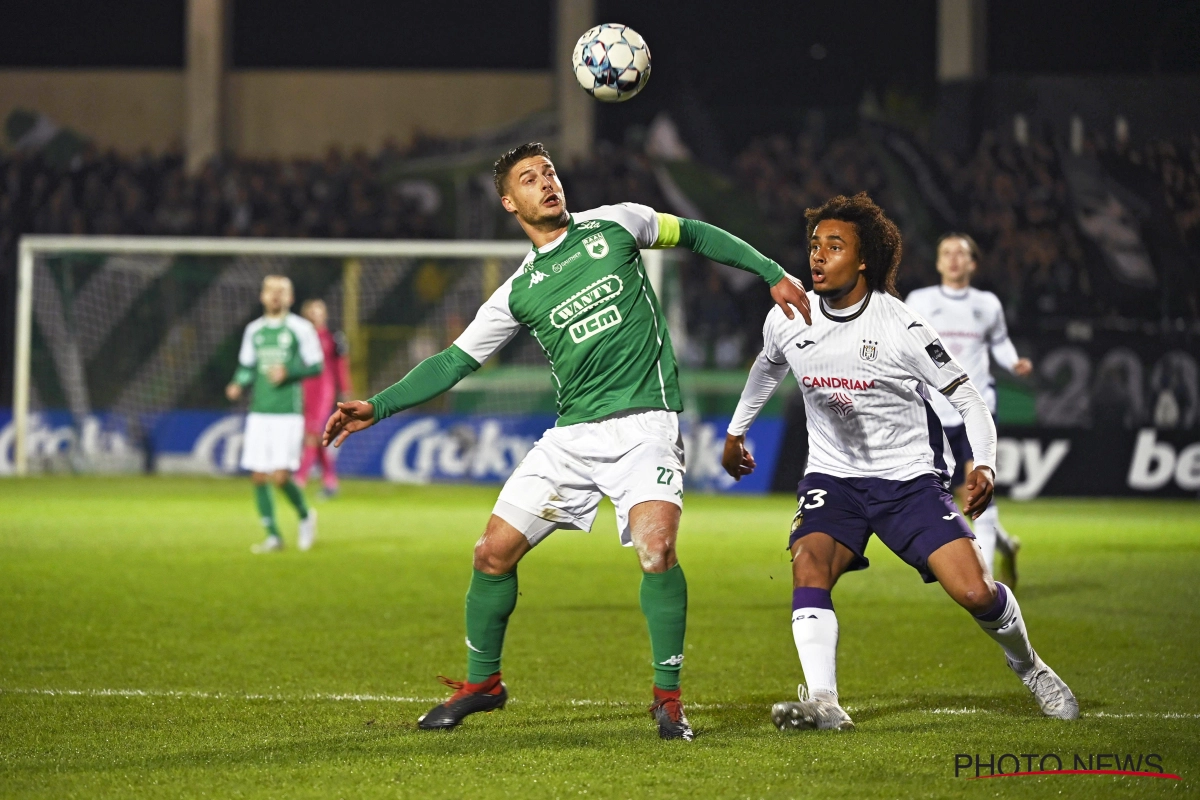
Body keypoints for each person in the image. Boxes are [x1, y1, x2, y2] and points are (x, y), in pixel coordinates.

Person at [325, 142, 811, 740]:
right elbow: (454, 361)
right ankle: (484, 685)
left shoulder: (617, 223)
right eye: (530, 179)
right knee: (490, 554)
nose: (547, 183)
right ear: (510, 202)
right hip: (572, 436)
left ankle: (667, 699)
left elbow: (696, 234)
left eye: (549, 172)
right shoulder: (517, 291)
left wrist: (773, 274)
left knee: (657, 550)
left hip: (646, 424)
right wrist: (378, 405)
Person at [721, 193, 1076, 731]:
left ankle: (1031, 668)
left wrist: (983, 464)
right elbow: (769, 366)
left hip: (908, 482)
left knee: (976, 591)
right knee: (808, 563)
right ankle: (825, 701)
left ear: (864, 260)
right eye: (814, 245)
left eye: (833, 247)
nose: (817, 256)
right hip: (832, 477)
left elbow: (968, 398)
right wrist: (736, 430)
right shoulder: (789, 315)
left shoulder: (901, 328)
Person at [905, 234, 1032, 586]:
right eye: (946, 252)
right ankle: (1006, 545)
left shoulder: (987, 304)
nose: (953, 259)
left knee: (978, 490)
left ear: (973, 263)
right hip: (934, 411)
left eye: (961, 253)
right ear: (938, 262)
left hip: (976, 409)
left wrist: (1013, 361)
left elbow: (1000, 341)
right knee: (954, 496)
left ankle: (987, 579)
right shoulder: (920, 300)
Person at [226, 275, 323, 553]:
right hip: (259, 412)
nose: (275, 296)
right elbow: (247, 365)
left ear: (290, 298)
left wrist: (289, 372)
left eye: (282, 291)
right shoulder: (254, 330)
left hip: (288, 412)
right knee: (258, 475)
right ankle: (273, 536)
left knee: (281, 477)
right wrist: (237, 382)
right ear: (262, 296)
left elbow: (316, 366)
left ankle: (306, 516)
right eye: (270, 291)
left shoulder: (300, 328)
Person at [296, 299, 352, 498]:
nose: (315, 315)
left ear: (324, 314)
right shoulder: (299, 337)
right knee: (317, 437)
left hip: (323, 390)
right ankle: (330, 481)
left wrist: (345, 390)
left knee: (313, 433)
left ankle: (299, 479)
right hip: (303, 389)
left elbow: (340, 366)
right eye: (311, 311)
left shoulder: (334, 338)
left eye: (318, 311)